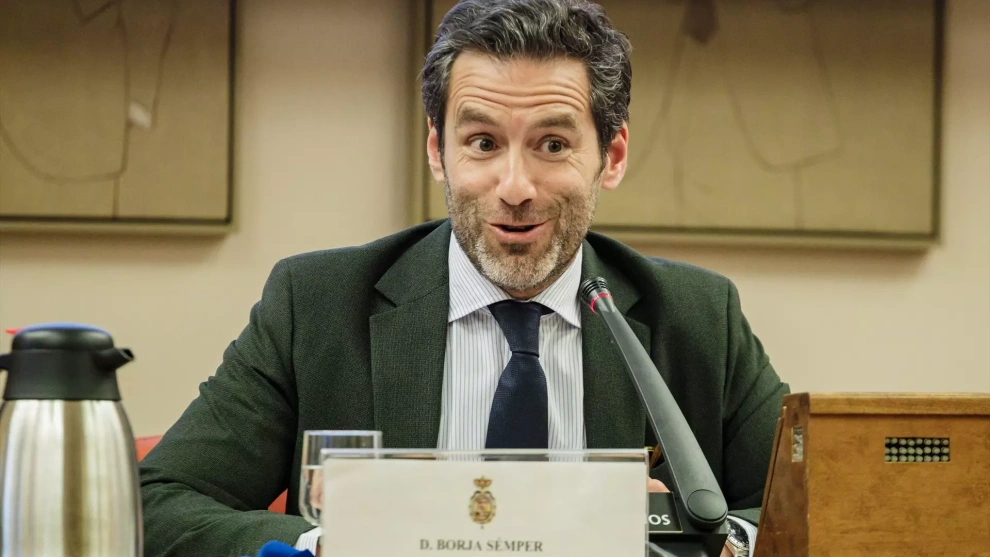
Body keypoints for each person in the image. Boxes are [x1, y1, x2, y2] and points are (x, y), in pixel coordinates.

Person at [138, 1, 789, 556]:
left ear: (610, 156)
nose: (515, 187)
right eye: (482, 142)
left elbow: (809, 509)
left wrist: (701, 539)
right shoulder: (316, 305)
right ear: (437, 150)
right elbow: (158, 503)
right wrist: (331, 545)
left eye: (553, 145)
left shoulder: (698, 316)